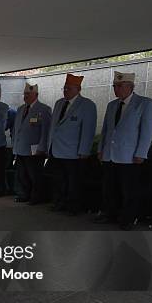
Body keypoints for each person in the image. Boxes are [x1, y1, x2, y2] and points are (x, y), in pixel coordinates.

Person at [95, 71, 152, 230]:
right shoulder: (112, 105)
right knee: (110, 188)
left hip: (129, 156)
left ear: (130, 86)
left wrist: (141, 153)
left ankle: (127, 218)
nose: (116, 89)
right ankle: (110, 214)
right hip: (109, 155)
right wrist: (101, 149)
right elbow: (106, 130)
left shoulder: (145, 104)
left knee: (129, 190)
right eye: (114, 86)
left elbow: (147, 131)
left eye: (119, 86)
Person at [45, 73, 97, 215]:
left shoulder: (87, 105)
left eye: (69, 88)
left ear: (78, 89)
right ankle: (59, 202)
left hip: (74, 152)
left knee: (73, 182)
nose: (65, 90)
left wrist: (84, 150)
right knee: (58, 180)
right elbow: (53, 127)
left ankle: (73, 207)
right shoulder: (59, 103)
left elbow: (88, 130)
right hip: (56, 150)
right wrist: (49, 146)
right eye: (64, 88)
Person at [12, 83, 52, 204]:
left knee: (34, 175)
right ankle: (24, 194)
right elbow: (16, 129)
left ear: (36, 95)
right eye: (25, 94)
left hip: (35, 149)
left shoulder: (44, 109)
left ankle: (36, 197)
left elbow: (46, 130)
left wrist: (42, 147)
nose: (26, 96)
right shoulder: (20, 109)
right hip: (20, 148)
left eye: (28, 94)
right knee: (22, 174)